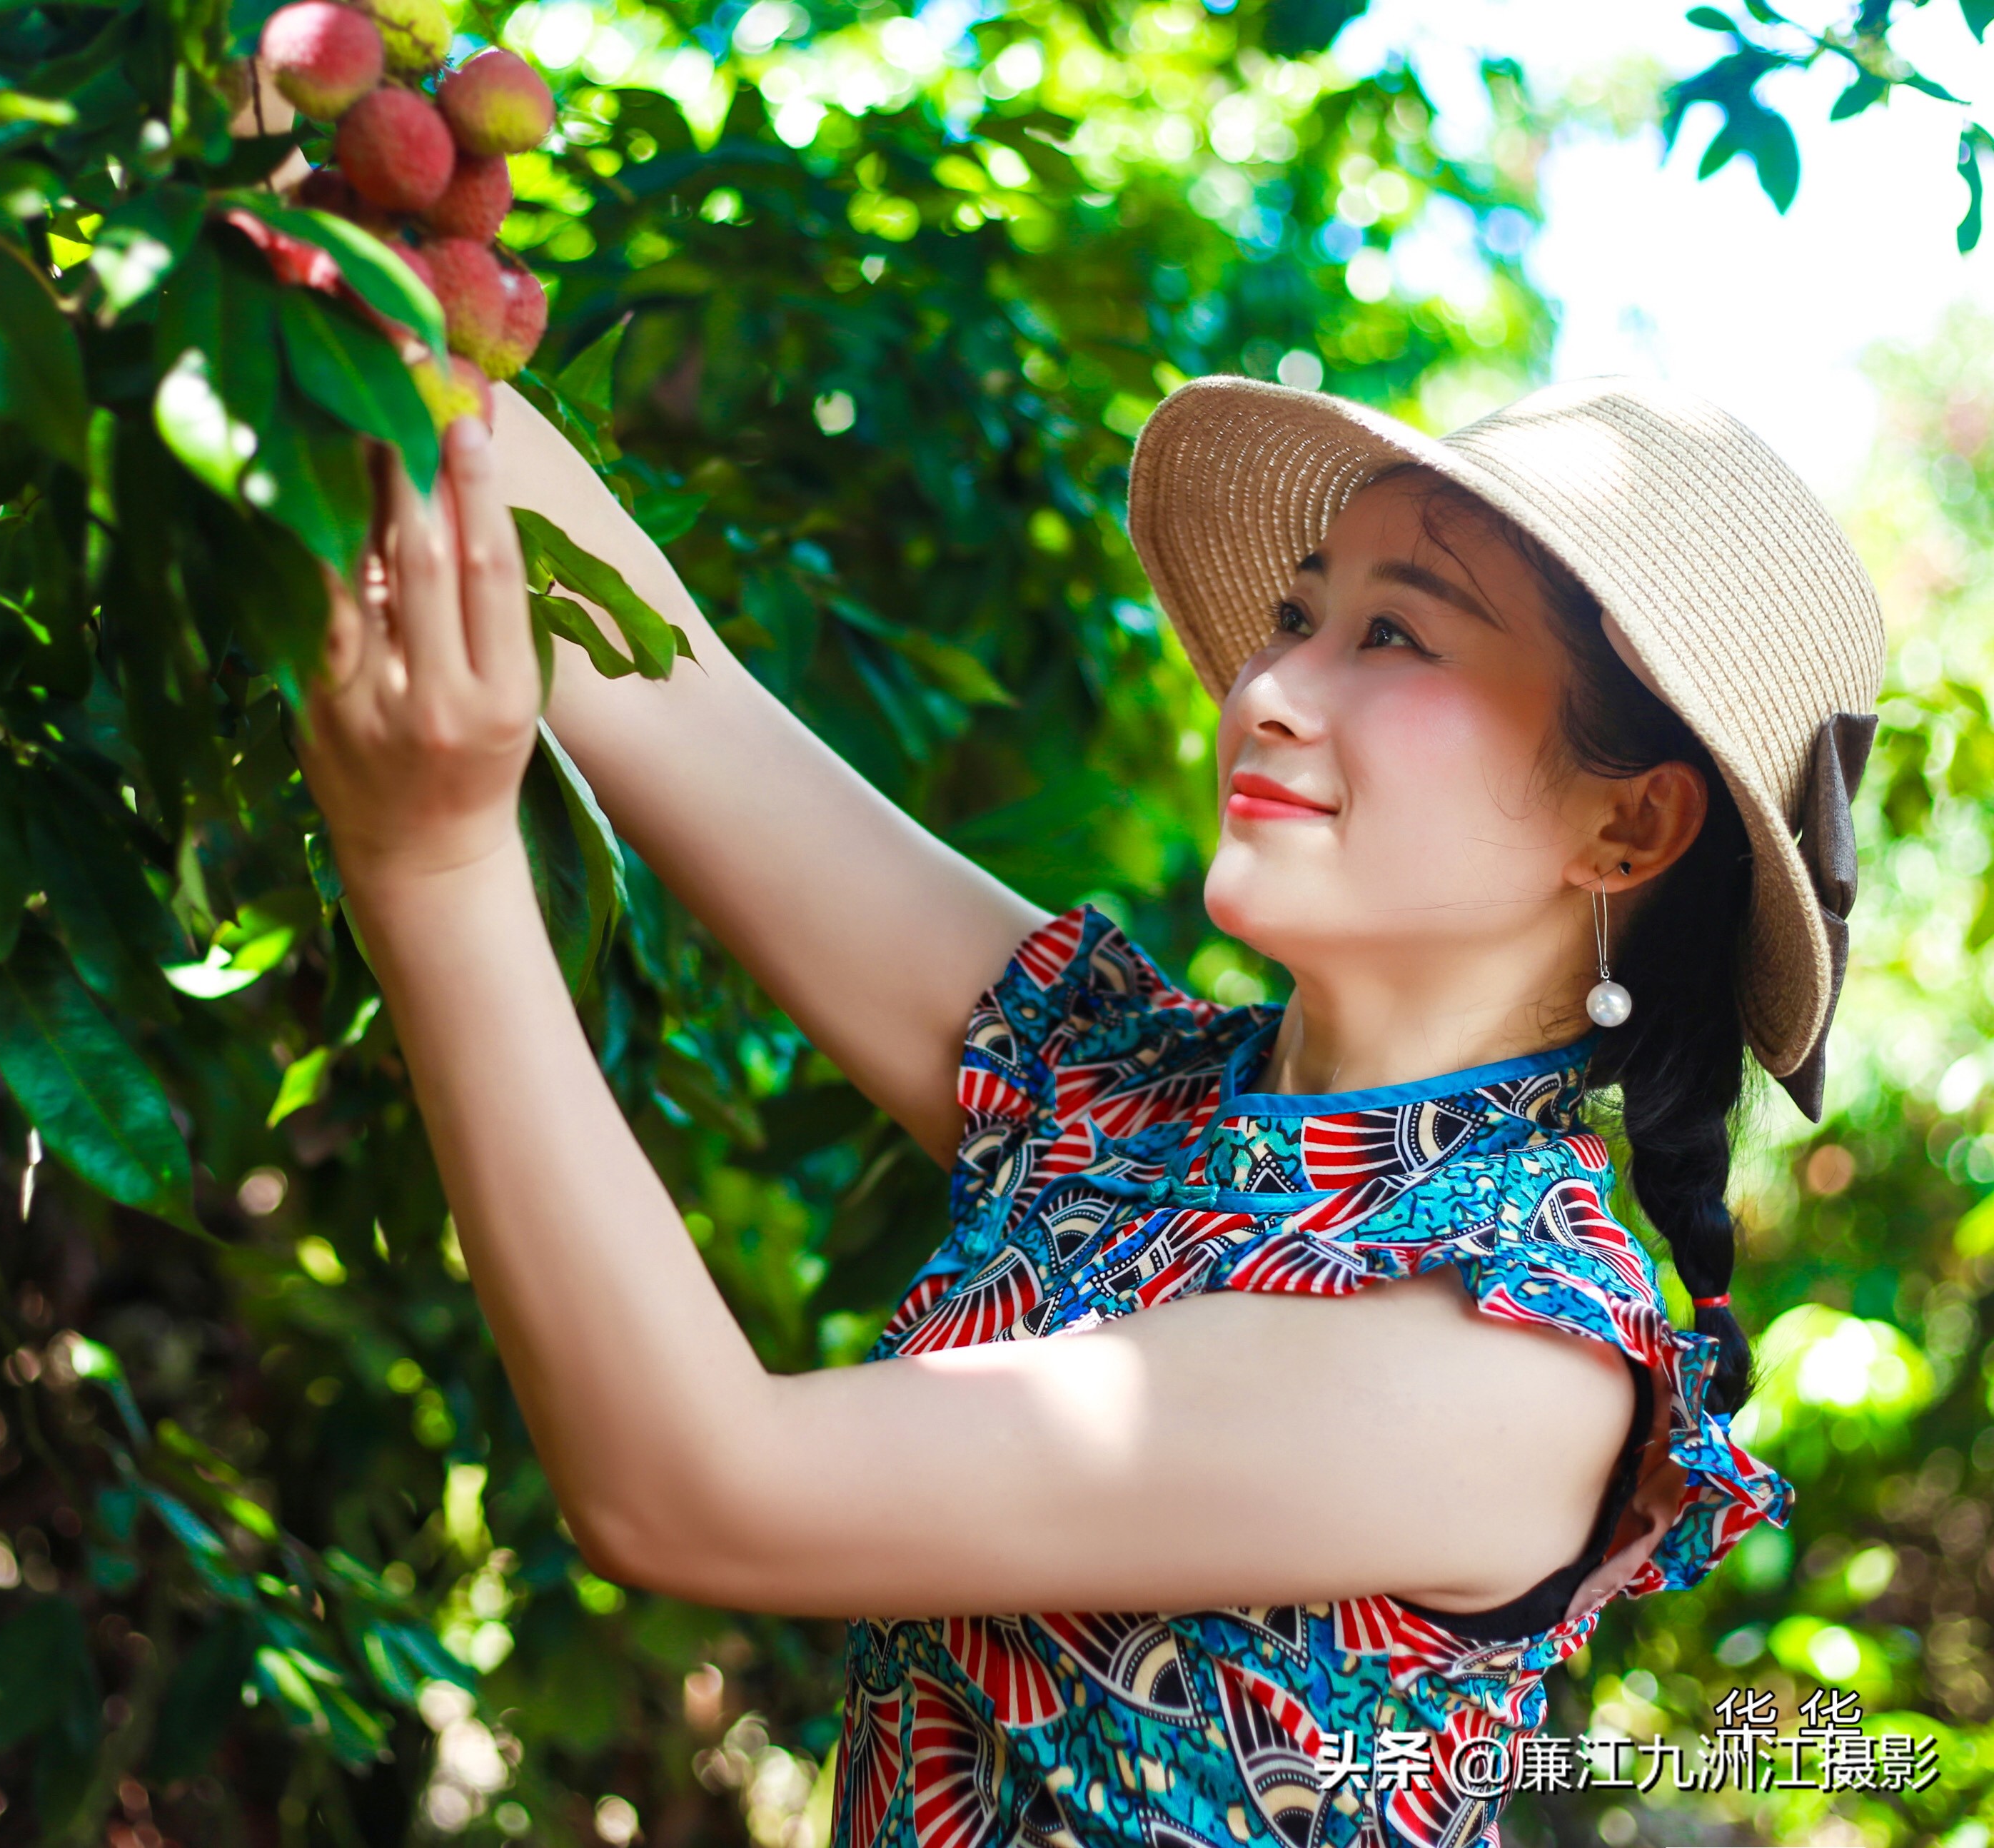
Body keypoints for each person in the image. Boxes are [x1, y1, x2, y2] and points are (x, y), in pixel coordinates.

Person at [286, 372, 1885, 1848]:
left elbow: (693, 1485)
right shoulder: (1127, 1085)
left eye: (1394, 636)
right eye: (1297, 610)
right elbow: (674, 692)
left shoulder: (1499, 1350)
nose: (1265, 686)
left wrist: (428, 866)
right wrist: (375, 292)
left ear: (1625, 824)